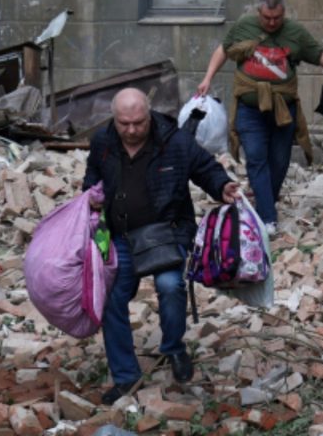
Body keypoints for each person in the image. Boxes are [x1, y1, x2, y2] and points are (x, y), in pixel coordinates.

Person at [84, 88, 240, 405]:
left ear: (149, 115)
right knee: (111, 298)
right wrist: (89, 198)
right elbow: (91, 179)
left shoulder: (174, 140)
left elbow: (205, 168)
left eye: (138, 123)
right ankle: (126, 377)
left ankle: (174, 347)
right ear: (114, 119)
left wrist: (223, 185)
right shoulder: (103, 141)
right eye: (123, 123)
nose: (130, 130)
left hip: (167, 233)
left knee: (170, 286)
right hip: (120, 236)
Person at [197, 0, 323, 234]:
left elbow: (317, 54)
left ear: (283, 13)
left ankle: (265, 201)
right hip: (249, 110)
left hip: (283, 110)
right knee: (255, 158)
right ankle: (267, 217)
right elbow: (224, 49)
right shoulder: (244, 26)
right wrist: (207, 78)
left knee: (279, 161)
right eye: (267, 18)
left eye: (277, 17)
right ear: (259, 13)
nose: (272, 22)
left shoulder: (294, 32)